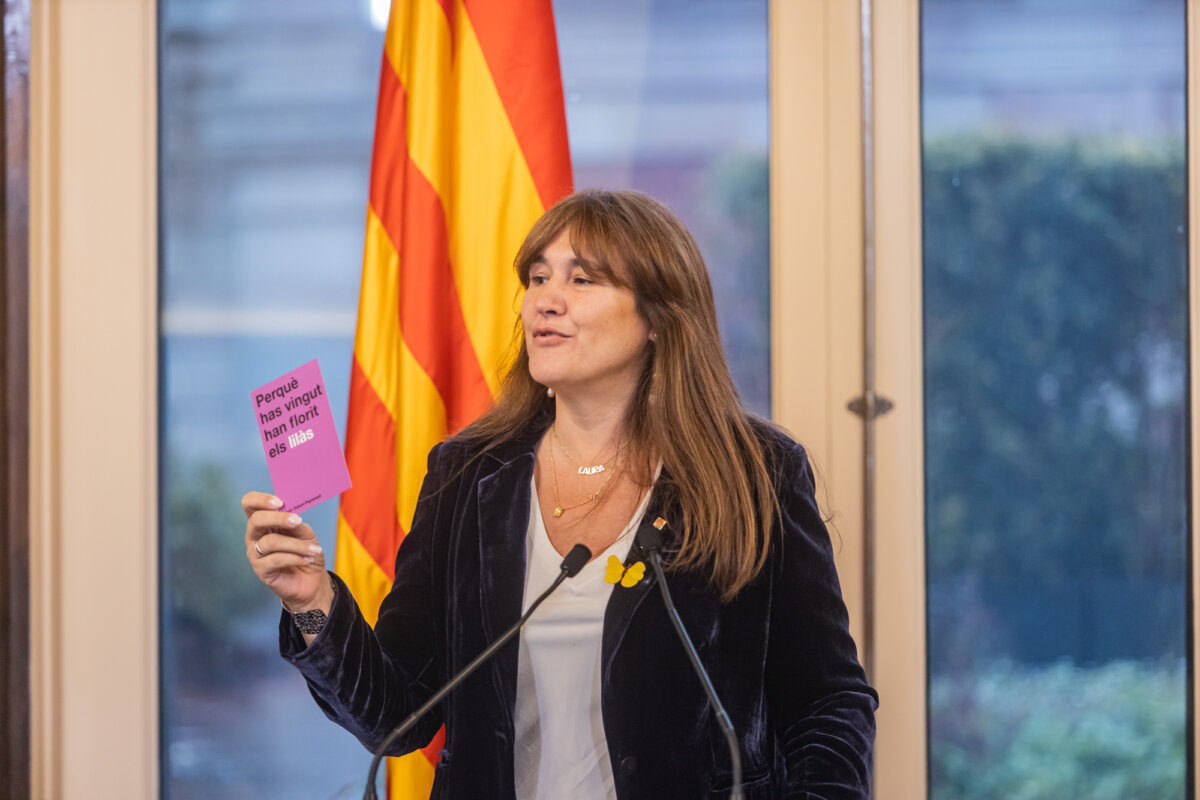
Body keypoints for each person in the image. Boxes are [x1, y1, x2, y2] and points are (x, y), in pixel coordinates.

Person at [243, 189, 877, 799]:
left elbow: (829, 703)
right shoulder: (467, 476)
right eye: (537, 278)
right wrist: (312, 600)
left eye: (582, 280)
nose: (546, 300)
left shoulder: (753, 473)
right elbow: (398, 715)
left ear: (658, 317)